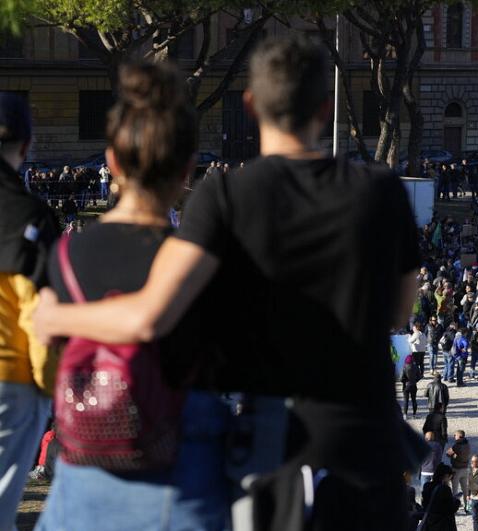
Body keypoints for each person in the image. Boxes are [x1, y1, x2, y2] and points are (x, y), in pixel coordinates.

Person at [33, 34, 424, 529]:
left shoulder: (223, 195)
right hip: (368, 446)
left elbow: (153, 310)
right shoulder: (384, 191)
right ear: (326, 108)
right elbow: (400, 313)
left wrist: (55, 315)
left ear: (250, 104)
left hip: (274, 452)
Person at [34, 63, 233, 531]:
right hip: (182, 480)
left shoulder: (64, 254)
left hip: (81, 477)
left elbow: (48, 363)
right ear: (187, 169)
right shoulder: (196, 260)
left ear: (112, 162)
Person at [0, 90, 58, 530]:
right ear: (25, 144)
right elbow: (42, 315)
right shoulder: (32, 214)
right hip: (11, 380)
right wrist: (49, 388)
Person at [421, 463, 460, 531]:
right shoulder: (445, 489)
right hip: (443, 525)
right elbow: (450, 509)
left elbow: (424, 504)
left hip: (430, 522)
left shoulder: (427, 486)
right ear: (445, 476)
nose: (449, 480)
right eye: (450, 478)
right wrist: (457, 501)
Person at [447, 430, 471, 511]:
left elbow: (448, 453)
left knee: (455, 490)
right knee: (465, 490)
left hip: (456, 469)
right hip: (465, 468)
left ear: (459, 436)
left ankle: (454, 507)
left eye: (455, 435)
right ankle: (467, 507)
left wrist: (453, 455)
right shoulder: (467, 444)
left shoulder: (456, 445)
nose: (454, 436)